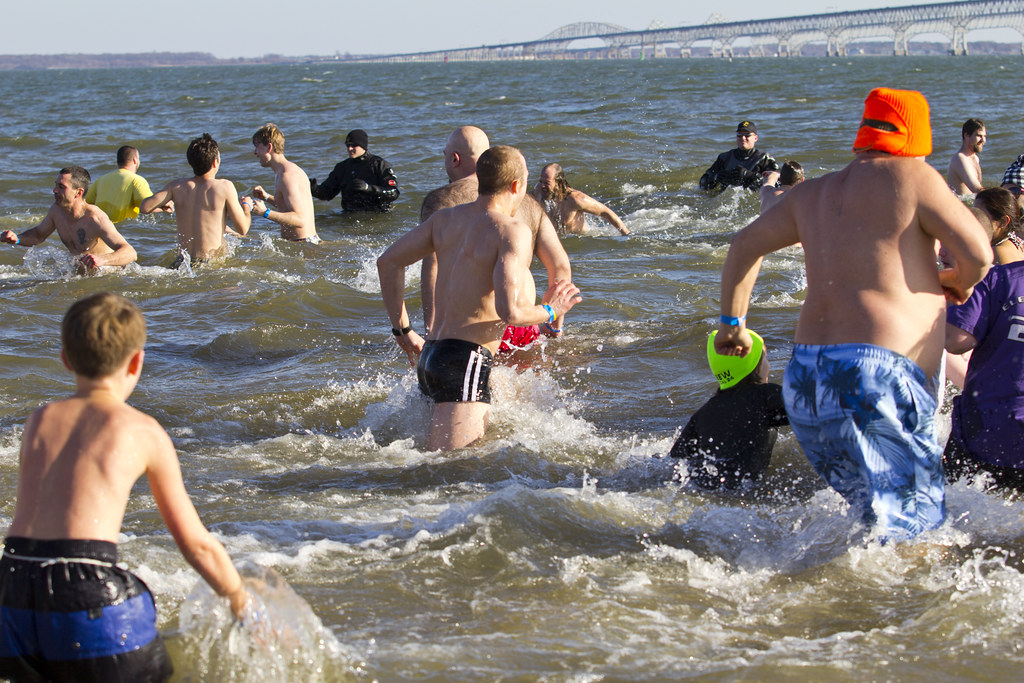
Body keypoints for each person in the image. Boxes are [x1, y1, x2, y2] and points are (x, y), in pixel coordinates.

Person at [715, 87, 992, 541]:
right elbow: (978, 254)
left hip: (807, 383)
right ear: (916, 136)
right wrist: (956, 283)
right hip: (875, 375)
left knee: (875, 521)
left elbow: (742, 245)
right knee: (915, 534)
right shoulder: (913, 178)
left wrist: (734, 326)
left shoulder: (815, 193)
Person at [0, 292, 250, 682]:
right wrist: (238, 596)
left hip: (11, 587)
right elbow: (195, 542)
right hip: (85, 588)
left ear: (65, 359)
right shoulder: (143, 430)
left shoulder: (40, 419)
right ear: (137, 361)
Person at [377, 146, 582, 450]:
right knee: (452, 473)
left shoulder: (443, 220)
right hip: (465, 361)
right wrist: (551, 311)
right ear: (517, 186)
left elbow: (388, 262)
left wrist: (402, 330)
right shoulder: (511, 230)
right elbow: (511, 312)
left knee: (429, 467)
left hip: (431, 357)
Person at [419, 127, 573, 353]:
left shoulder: (442, 201)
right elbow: (560, 266)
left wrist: (431, 332)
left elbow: (432, 265)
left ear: (454, 159)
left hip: (469, 331)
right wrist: (553, 325)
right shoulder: (528, 202)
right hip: (521, 324)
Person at [945, 246, 1024, 489]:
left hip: (989, 428)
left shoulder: (998, 278)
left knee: (953, 514)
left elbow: (956, 342)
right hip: (995, 427)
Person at [670, 329, 789, 490]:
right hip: (743, 493)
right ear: (753, 365)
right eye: (765, 358)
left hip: (707, 487)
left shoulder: (705, 412)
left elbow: (676, 458)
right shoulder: (764, 396)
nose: (769, 365)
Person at [141, 133, 252, 267]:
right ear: (215, 162)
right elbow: (243, 229)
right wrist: (246, 207)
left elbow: (145, 208)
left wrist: (163, 205)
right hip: (208, 264)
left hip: (181, 263)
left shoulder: (176, 186)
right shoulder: (224, 186)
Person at [0, 165, 138, 270]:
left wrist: (102, 260)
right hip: (77, 275)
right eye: (55, 185)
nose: (55, 190)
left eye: (61, 187)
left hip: (106, 276)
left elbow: (130, 253)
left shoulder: (95, 218)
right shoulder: (57, 210)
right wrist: (17, 239)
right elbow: (38, 235)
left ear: (78, 192)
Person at [248, 123, 318, 242]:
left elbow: (300, 219)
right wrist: (266, 197)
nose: (255, 152)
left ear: (269, 148)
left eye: (257, 146)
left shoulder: (287, 176)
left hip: (304, 244)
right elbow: (287, 208)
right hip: (306, 242)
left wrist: (265, 213)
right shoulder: (285, 171)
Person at [309, 129, 399, 212]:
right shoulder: (342, 167)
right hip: (349, 215)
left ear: (363, 146)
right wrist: (314, 189)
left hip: (377, 214)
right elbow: (327, 194)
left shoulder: (380, 164)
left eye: (354, 145)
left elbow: (394, 193)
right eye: (348, 145)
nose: (350, 148)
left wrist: (368, 188)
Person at [530, 163, 630, 235]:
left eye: (546, 183)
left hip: (581, 239)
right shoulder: (539, 191)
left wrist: (626, 234)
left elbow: (605, 212)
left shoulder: (576, 199)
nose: (542, 186)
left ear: (559, 183)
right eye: (540, 181)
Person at [86, 145, 171, 222]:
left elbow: (85, 204)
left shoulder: (101, 180)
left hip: (99, 227)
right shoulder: (136, 180)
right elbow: (148, 207)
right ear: (135, 160)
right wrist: (164, 206)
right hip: (122, 233)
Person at [699, 120, 780, 192]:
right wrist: (716, 178)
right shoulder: (724, 158)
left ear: (755, 138)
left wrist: (750, 176)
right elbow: (703, 182)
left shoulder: (764, 159)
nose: (743, 138)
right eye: (739, 135)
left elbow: (779, 183)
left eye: (747, 135)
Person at [974, 187, 1024, 265]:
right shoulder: (1019, 244)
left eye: (982, 215)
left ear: (1003, 222)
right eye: (974, 213)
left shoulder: (997, 253)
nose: (974, 220)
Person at [947, 118, 986, 196]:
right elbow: (976, 188)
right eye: (979, 136)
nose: (983, 140)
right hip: (960, 205)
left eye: (984, 136)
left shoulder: (975, 158)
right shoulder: (959, 159)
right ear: (967, 135)